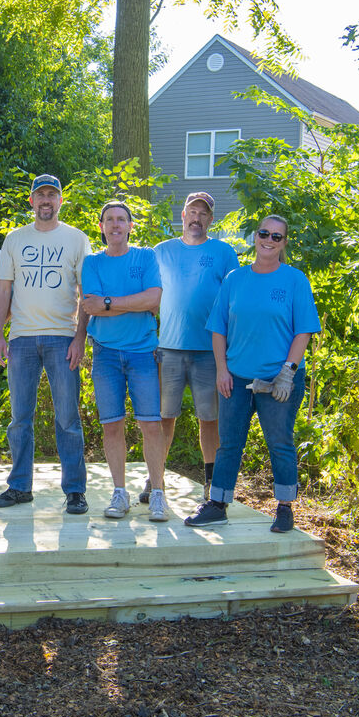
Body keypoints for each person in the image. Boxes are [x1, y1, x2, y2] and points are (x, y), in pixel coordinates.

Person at [184, 215, 320, 533]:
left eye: (276, 237)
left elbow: (304, 331)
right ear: (255, 237)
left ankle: (285, 508)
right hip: (237, 377)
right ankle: (218, 504)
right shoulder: (235, 279)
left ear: (284, 243)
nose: (268, 240)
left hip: (278, 380)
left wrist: (289, 371)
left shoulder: (294, 280)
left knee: (280, 442)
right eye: (264, 234)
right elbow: (218, 329)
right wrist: (221, 370)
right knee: (229, 444)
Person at [0, 174, 91, 514]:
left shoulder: (77, 239)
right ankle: (20, 486)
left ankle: (75, 490)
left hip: (63, 338)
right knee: (20, 418)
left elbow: (85, 294)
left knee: (67, 418)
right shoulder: (15, 239)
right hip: (21, 339)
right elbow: (4, 288)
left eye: (52, 195)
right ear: (31, 201)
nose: (46, 200)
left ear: (60, 201)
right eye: (40, 195)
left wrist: (80, 337)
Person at [142, 191, 239, 504]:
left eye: (204, 214)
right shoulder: (161, 251)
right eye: (192, 212)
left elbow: (233, 302)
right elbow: (145, 295)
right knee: (162, 418)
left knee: (209, 419)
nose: (197, 218)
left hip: (210, 351)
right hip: (167, 350)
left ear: (211, 220)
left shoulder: (224, 253)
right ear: (182, 216)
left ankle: (211, 485)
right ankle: (155, 481)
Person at [81, 201, 168, 521]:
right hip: (105, 355)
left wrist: (109, 302)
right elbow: (90, 306)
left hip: (143, 353)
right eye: (109, 220)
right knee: (112, 426)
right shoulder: (92, 263)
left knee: (151, 425)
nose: (115, 224)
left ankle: (157, 493)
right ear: (101, 226)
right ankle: (120, 493)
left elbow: (154, 299)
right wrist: (132, 303)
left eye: (121, 219)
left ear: (131, 226)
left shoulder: (146, 257)